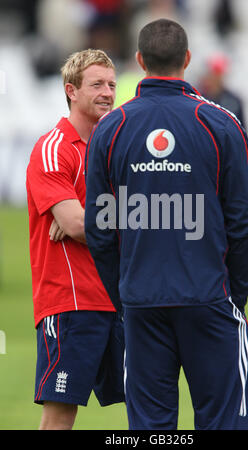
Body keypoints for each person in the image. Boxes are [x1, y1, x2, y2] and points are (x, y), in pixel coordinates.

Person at [84, 19, 248, 430]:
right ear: (188, 59)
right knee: (223, 423)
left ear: (140, 61)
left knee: (150, 429)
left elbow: (100, 228)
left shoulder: (111, 128)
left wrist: (125, 293)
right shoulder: (220, 123)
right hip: (209, 297)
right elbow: (242, 225)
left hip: (142, 303)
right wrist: (235, 293)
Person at [26, 48, 125, 430]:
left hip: (121, 299)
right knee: (60, 414)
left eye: (112, 84)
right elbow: (78, 225)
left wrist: (91, 221)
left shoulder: (117, 149)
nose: (107, 92)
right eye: (97, 84)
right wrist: (88, 222)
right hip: (70, 303)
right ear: (71, 91)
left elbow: (148, 215)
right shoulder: (52, 149)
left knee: (148, 403)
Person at [198, 53, 246, 128]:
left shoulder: (234, 101)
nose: (215, 77)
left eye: (218, 73)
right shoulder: (198, 98)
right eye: (213, 73)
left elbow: (242, 129)